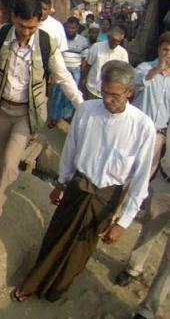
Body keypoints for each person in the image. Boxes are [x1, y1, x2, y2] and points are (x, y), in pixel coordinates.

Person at [11, 60, 156, 303]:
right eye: (104, 92)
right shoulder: (87, 110)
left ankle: (56, 290)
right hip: (78, 187)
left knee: (81, 248)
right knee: (56, 236)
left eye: (114, 96)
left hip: (106, 198)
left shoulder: (143, 127)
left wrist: (123, 223)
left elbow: (140, 180)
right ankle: (32, 283)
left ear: (129, 93)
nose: (107, 99)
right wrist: (61, 182)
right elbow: (71, 149)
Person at [0, 0, 83, 239]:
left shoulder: (46, 43)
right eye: (22, 26)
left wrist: (82, 106)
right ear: (14, 18)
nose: (26, 32)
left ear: (39, 22)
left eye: (32, 27)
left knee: (10, 164)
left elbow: (64, 76)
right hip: (1, 109)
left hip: (26, 115)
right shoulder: (2, 35)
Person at [113, 32, 170, 319]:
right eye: (165, 48)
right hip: (144, 139)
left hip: (159, 137)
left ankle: (148, 308)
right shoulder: (145, 69)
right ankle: (133, 265)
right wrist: (156, 71)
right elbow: (135, 86)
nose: (168, 54)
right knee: (149, 224)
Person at [48, 17, 89, 127]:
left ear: (77, 28)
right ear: (65, 27)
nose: (70, 30)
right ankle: (54, 117)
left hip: (75, 71)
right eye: (69, 27)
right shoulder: (61, 38)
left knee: (72, 95)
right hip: (61, 70)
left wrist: (82, 76)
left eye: (73, 28)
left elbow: (84, 60)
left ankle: (67, 116)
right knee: (57, 95)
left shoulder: (83, 41)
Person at [80, 25, 129, 99]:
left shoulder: (123, 53)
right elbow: (88, 65)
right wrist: (82, 81)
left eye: (117, 42)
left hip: (111, 92)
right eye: (113, 41)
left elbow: (124, 72)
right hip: (93, 88)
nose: (114, 44)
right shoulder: (96, 47)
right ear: (108, 37)